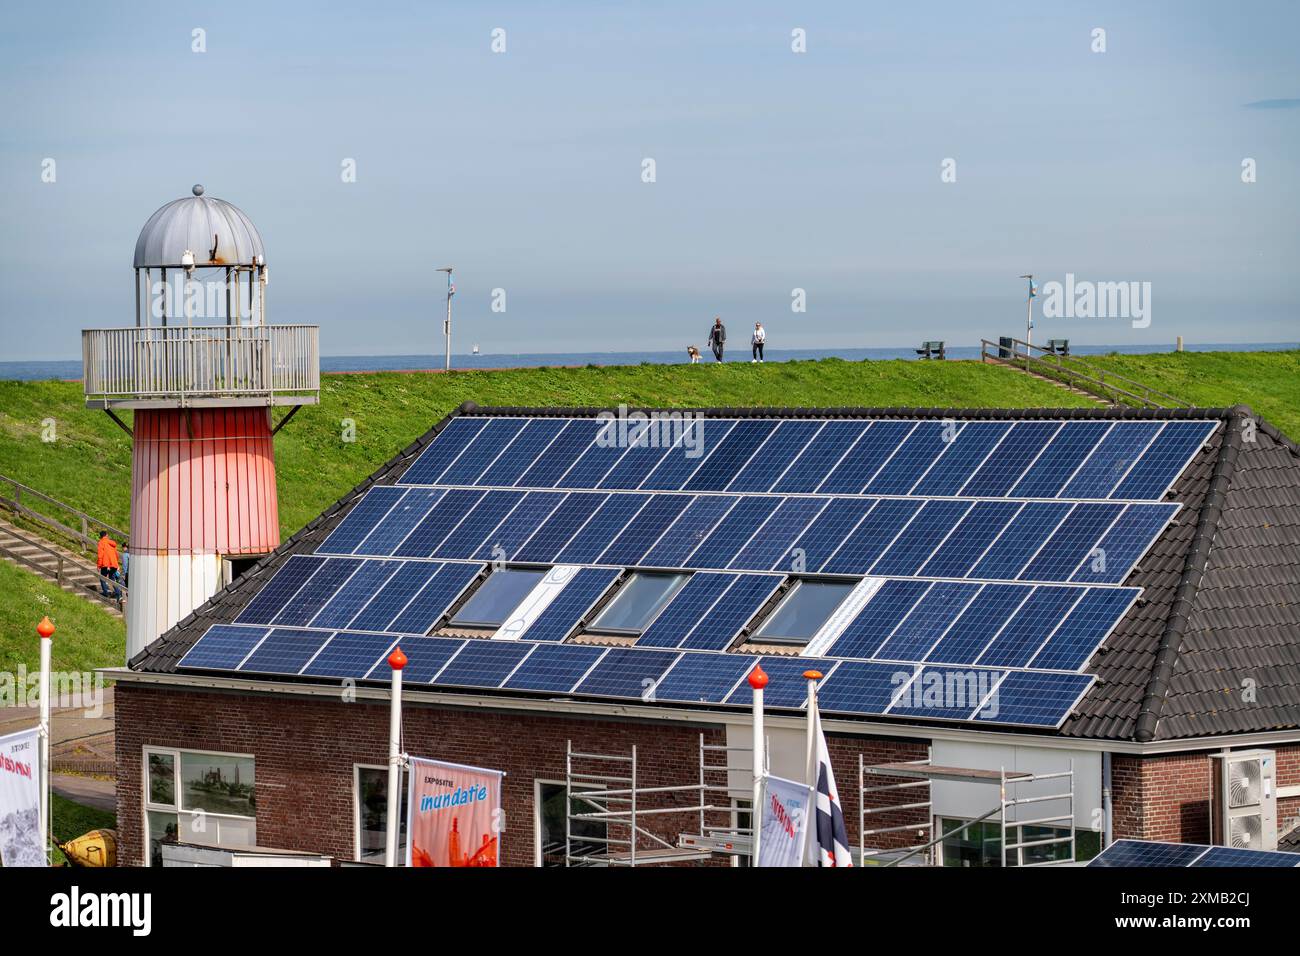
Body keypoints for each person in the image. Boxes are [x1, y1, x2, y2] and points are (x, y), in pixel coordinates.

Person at [96, 530, 122, 602]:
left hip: (105, 564)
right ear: (106, 535)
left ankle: (106, 593)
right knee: (112, 579)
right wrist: (116, 564)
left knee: (103, 578)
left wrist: (98, 565)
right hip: (113, 564)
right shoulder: (111, 543)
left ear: (101, 536)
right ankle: (119, 595)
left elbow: (100, 555)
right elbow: (116, 554)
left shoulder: (101, 543)